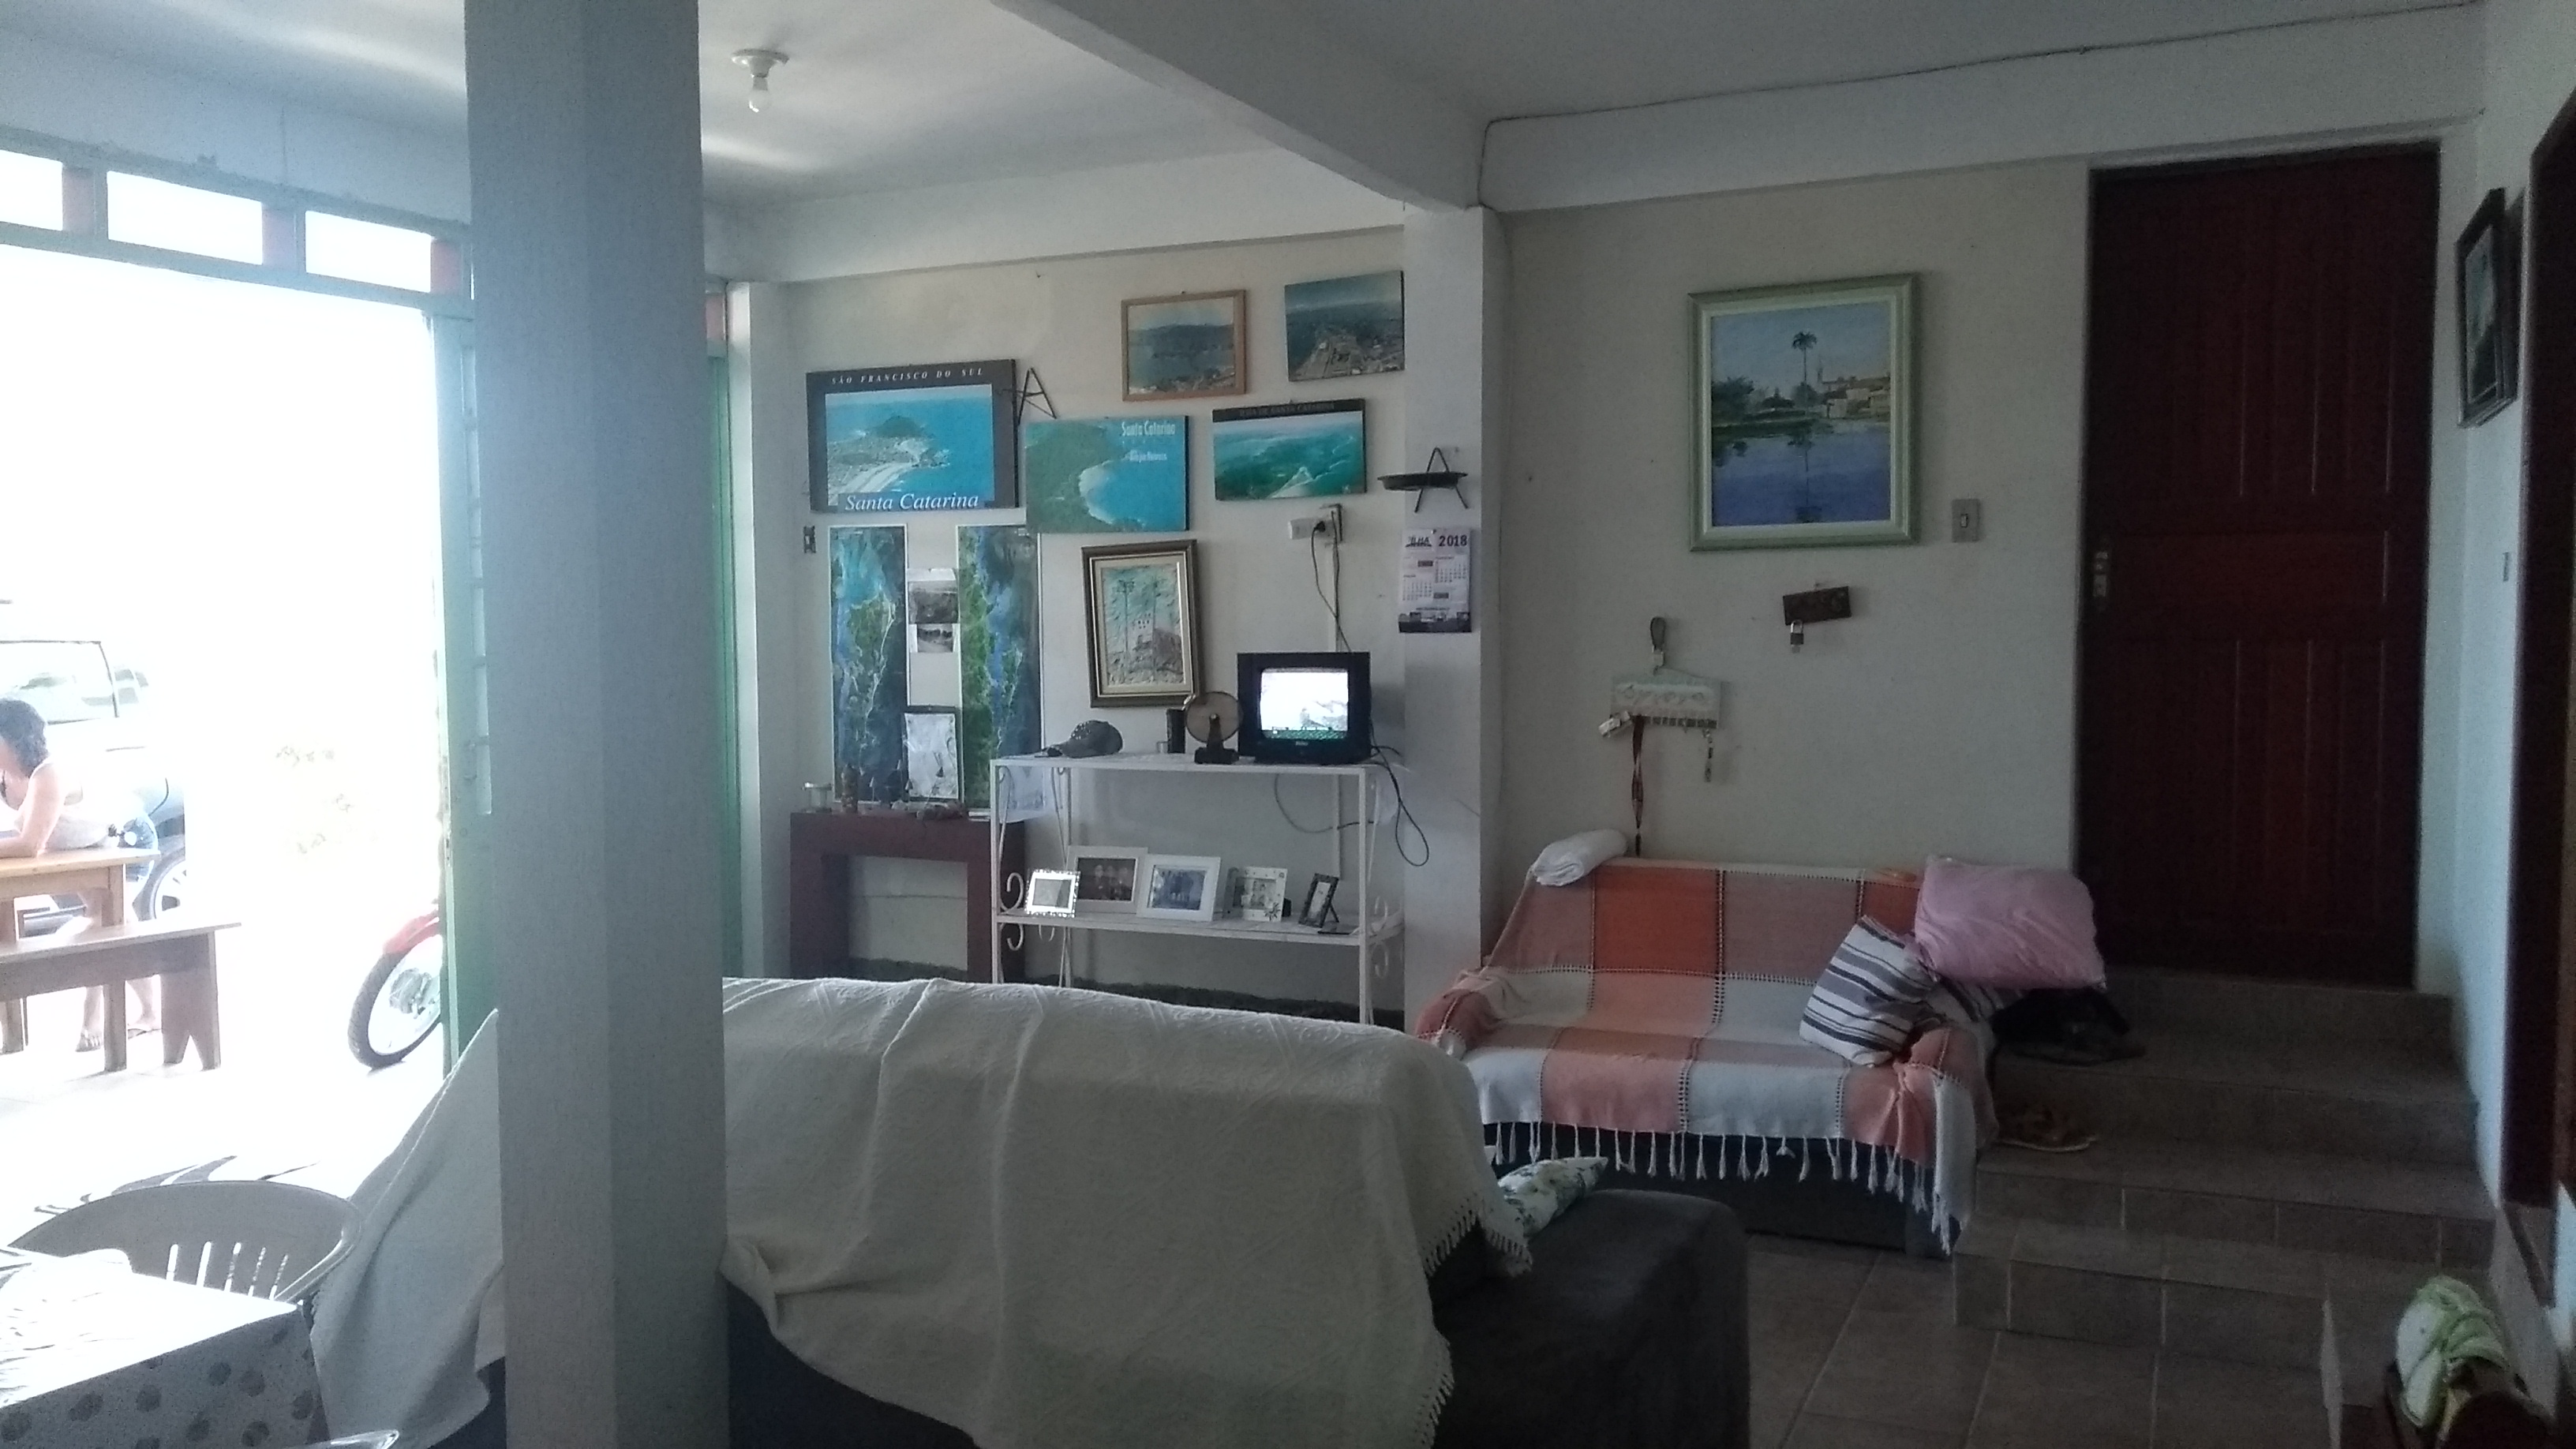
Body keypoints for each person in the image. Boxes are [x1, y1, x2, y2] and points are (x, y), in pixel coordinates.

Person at [0, 696, 156, 1050]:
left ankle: (94, 1015)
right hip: (83, 848)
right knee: (111, 923)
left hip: (124, 840)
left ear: (10, 739)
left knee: (104, 924)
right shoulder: (11, 775)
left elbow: (29, 845)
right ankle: (147, 1013)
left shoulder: (50, 773)